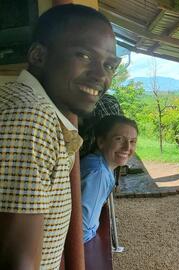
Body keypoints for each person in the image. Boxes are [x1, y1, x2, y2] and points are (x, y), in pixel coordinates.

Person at [0, 4, 120, 269]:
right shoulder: (31, 118)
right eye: (84, 55)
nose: (101, 76)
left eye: (109, 65)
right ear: (38, 55)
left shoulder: (29, 107)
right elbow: (17, 263)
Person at [81, 115, 138, 243]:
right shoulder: (98, 174)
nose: (127, 147)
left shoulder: (97, 162)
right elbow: (82, 230)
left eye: (132, 141)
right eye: (119, 139)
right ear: (101, 142)